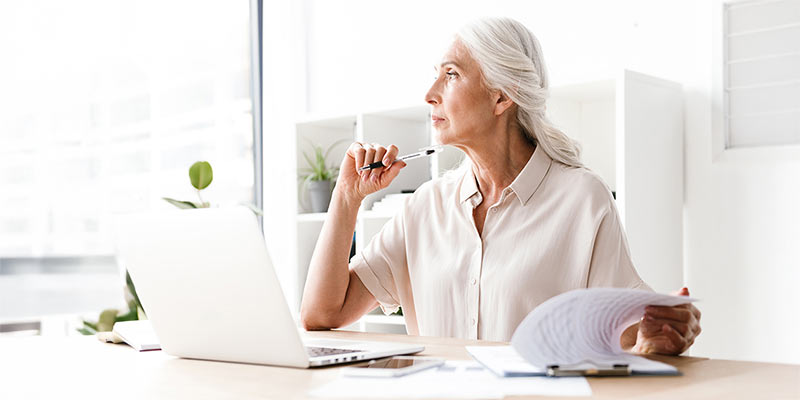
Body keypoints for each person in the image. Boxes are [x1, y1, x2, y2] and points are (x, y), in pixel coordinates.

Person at [300, 17, 701, 355]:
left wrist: (659, 334)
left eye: (451, 75)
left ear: (502, 96)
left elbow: (628, 335)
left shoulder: (583, 200)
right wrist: (346, 199)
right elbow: (322, 314)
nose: (429, 94)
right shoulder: (424, 208)